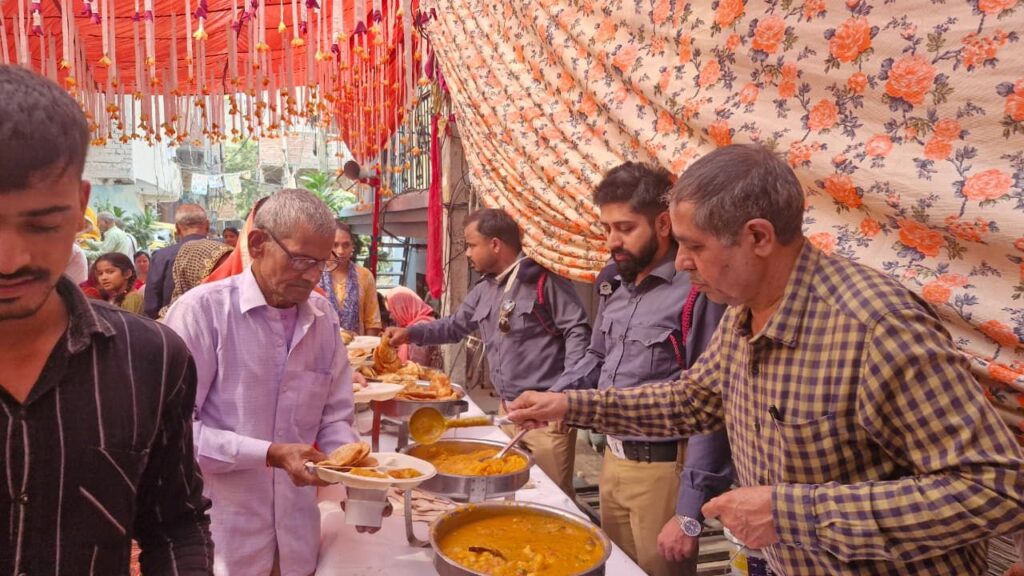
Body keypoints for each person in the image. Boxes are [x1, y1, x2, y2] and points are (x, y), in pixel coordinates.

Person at [508, 144, 1024, 575]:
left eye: (693, 246)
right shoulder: (743, 311)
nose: (681, 262)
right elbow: (692, 401)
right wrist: (570, 406)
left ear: (757, 237)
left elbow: (996, 488)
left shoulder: (874, 326)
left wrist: (789, 513)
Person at [0, 63, 213, 574]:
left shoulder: (151, 358)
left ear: (80, 206)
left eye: (41, 224)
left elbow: (175, 524)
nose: (9, 260)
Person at [164, 188, 367, 576]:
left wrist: (357, 477)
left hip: (297, 533)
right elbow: (176, 436)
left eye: (322, 263)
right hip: (224, 535)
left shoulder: (322, 318)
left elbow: (335, 417)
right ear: (258, 243)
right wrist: (269, 454)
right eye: (301, 260)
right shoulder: (201, 313)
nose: (312, 276)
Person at [551, 162, 733, 576]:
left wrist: (688, 512)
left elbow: (711, 402)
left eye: (625, 228)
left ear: (663, 224)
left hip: (664, 472)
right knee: (616, 568)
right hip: (612, 462)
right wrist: (559, 396)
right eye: (607, 228)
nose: (612, 241)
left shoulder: (697, 291)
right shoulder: (615, 282)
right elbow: (596, 357)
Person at [385, 208, 592, 497]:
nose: (468, 254)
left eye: (472, 245)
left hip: (546, 417)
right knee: (509, 492)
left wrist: (564, 395)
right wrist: (410, 333)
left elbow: (577, 332)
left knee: (551, 497)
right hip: (508, 412)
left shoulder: (543, 280)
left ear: (495, 244)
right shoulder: (485, 288)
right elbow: (454, 327)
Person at [144, 204, 210, 318]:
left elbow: (151, 304)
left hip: (170, 324)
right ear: (207, 225)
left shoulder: (161, 257)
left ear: (177, 228)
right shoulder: (224, 252)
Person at [319, 219, 382, 335]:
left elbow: (372, 321)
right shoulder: (315, 274)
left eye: (346, 245)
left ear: (352, 246)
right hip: (321, 343)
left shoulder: (364, 276)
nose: (341, 251)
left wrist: (367, 345)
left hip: (357, 345)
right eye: (335, 245)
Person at [157, 239, 233, 318]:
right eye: (218, 271)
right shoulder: (172, 322)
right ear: (192, 274)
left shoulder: (233, 311)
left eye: (231, 269)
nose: (229, 279)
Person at [384, 286, 438, 366]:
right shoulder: (424, 323)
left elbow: (417, 368)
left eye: (391, 311)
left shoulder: (418, 329)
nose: (390, 316)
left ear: (402, 308)